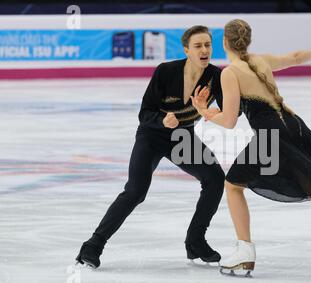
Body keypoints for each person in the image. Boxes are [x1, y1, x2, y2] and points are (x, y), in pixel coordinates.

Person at [191, 19, 311, 277]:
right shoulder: (260, 61)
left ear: (225, 42)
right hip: (295, 127)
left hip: (272, 135)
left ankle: (245, 252)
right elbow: (293, 57)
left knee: (233, 186)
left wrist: (204, 112)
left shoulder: (230, 72)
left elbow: (229, 120)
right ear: (247, 41)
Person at [76, 25, 225, 269]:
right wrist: (162, 120)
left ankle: (195, 241)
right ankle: (92, 245)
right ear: (186, 50)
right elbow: (144, 113)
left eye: (208, 45)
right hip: (152, 136)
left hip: (182, 138)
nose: (204, 50)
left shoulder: (215, 76)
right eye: (198, 45)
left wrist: (213, 112)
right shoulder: (166, 71)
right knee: (135, 192)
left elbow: (230, 110)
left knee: (215, 178)